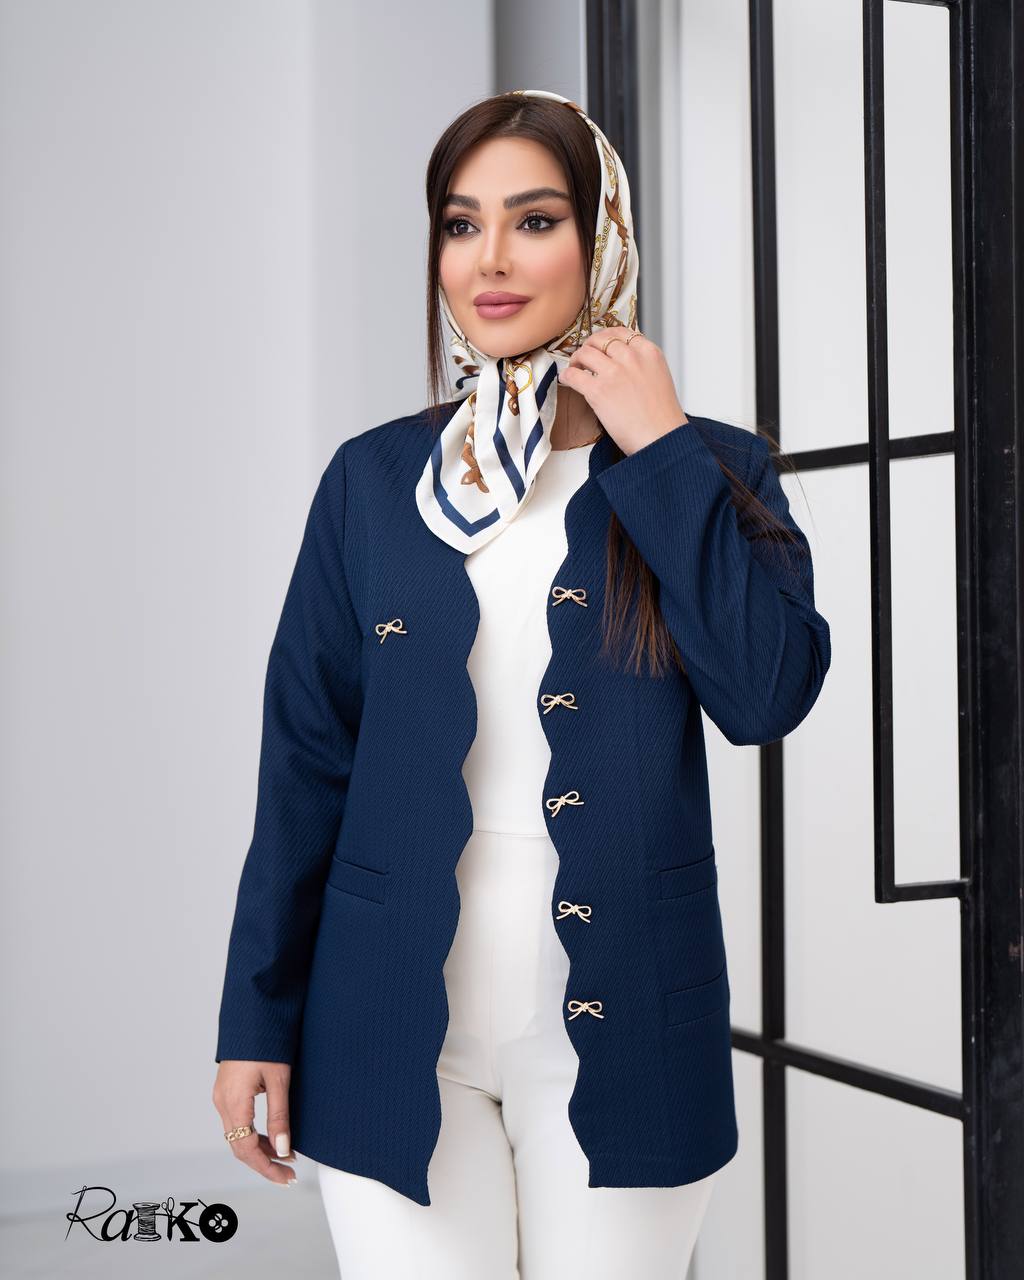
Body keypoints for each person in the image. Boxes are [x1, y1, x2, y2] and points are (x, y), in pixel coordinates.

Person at [212, 89, 831, 1279]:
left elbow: (766, 695)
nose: (488, 258)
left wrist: (660, 450)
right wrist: (254, 1018)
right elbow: (303, 763)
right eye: (461, 224)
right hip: (383, 1023)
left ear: (603, 242)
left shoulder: (713, 465)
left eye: (535, 220)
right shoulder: (373, 481)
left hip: (632, 1025)